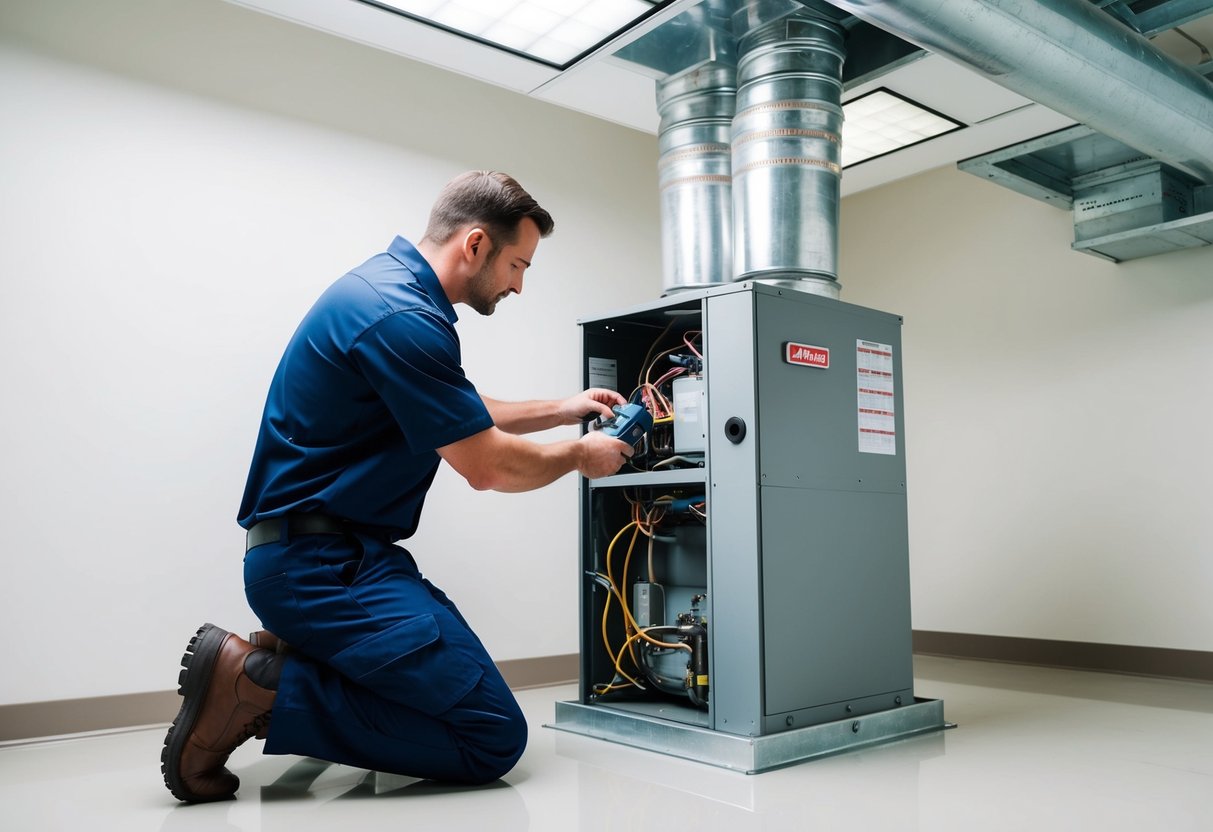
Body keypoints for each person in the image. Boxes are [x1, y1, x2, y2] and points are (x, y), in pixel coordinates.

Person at [161, 171, 633, 803]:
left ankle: (295, 656)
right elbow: (487, 466)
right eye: (518, 264)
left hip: (343, 560)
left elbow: (457, 406)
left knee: (460, 688)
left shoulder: (386, 291)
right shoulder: (402, 316)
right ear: (474, 245)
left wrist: (561, 408)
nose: (520, 283)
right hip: (320, 569)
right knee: (490, 736)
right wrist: (580, 455)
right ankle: (258, 685)